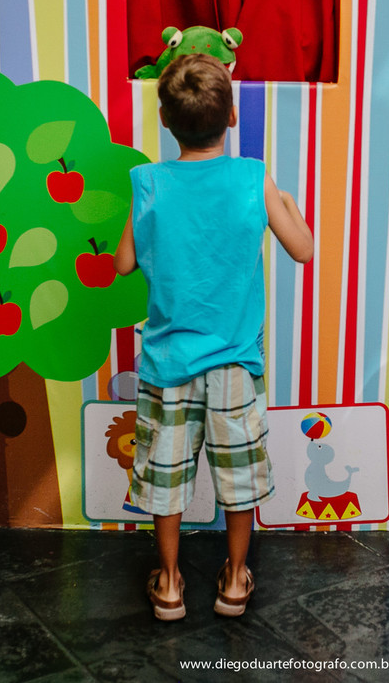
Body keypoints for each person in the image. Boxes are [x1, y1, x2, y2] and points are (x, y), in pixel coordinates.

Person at [114, 53, 313, 620]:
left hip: (168, 363)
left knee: (165, 474)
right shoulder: (254, 177)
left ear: (164, 119)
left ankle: (169, 583)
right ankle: (234, 578)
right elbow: (303, 248)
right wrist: (288, 205)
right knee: (238, 475)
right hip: (234, 364)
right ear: (231, 116)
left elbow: (123, 263)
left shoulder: (148, 182)